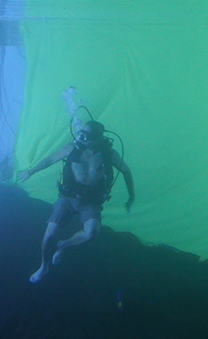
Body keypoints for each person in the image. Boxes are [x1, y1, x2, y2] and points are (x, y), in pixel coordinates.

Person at [18, 120, 134, 283]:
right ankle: (44, 267)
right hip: (68, 197)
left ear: (98, 138)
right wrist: (31, 171)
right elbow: (51, 159)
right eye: (81, 133)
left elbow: (126, 171)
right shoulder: (73, 148)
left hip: (91, 202)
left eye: (86, 135)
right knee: (49, 235)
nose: (81, 137)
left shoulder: (109, 154)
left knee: (91, 233)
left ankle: (63, 245)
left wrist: (131, 196)